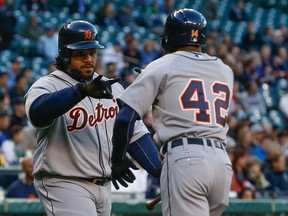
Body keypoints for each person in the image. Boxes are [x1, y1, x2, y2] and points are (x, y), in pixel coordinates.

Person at [24, 20, 161, 216]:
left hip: (104, 187)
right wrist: (80, 91)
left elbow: (136, 135)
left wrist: (160, 172)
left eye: (92, 52)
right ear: (64, 55)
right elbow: (38, 114)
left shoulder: (111, 86)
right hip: (64, 183)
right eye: (80, 54)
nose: (88, 59)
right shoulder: (47, 86)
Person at [111, 8, 234, 216]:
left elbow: (125, 118)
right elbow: (190, 85)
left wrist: (117, 159)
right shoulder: (225, 70)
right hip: (221, 163)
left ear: (169, 38)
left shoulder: (161, 66)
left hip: (186, 159)